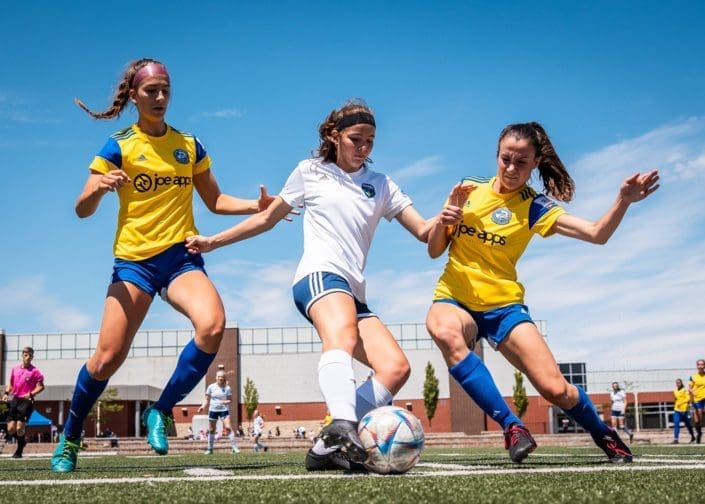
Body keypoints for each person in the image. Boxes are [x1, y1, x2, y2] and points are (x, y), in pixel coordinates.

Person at [185, 99, 463, 471]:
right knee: (342, 338)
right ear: (335, 136)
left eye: (370, 141)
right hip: (318, 276)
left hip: (353, 291)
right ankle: (344, 426)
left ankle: (323, 447)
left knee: (395, 367)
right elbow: (268, 219)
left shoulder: (381, 185)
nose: (363, 148)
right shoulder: (310, 171)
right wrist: (213, 241)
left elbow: (425, 234)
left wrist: (445, 217)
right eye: (355, 139)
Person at [50, 58, 283, 473]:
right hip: (134, 263)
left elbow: (214, 200)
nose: (160, 98)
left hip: (181, 257)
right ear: (134, 96)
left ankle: (160, 411)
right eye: (151, 91)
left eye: (166, 90)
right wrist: (100, 188)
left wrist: (256, 205)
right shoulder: (118, 145)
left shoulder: (189, 145)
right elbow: (81, 208)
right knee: (107, 357)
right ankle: (70, 437)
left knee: (212, 326)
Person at [425, 121, 659, 464]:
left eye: (521, 162)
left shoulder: (535, 206)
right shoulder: (467, 189)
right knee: (443, 330)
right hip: (455, 297)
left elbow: (597, 233)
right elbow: (434, 250)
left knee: (555, 389)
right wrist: (444, 221)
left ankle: (603, 433)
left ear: (535, 163)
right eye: (506, 159)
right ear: (496, 154)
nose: (511, 168)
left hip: (504, 307)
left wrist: (622, 201)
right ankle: (512, 426)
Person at [2, 347, 45, 458]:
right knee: (11, 429)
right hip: (15, 399)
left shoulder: (35, 371)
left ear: (32, 357)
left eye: (30, 355)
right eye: (26, 355)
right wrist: (6, 394)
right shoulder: (15, 369)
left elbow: (41, 387)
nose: (28, 357)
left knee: (19, 428)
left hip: (27, 401)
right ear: (22, 355)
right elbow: (10, 384)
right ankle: (22, 441)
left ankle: (19, 451)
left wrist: (31, 394)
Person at [197, 369, 240, 454]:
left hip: (224, 410)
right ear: (216, 377)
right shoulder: (211, 387)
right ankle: (210, 449)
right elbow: (206, 399)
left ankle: (234, 447)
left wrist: (225, 402)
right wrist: (202, 406)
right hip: (213, 410)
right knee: (212, 429)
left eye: (222, 377)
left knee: (228, 428)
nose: (220, 378)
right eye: (219, 377)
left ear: (224, 378)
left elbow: (230, 400)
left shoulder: (227, 388)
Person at [672, 378, 696, 444]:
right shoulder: (675, 391)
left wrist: (681, 403)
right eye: (676, 382)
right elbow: (675, 399)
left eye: (679, 382)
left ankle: (693, 437)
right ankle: (676, 439)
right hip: (676, 410)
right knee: (676, 423)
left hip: (684, 410)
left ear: (681, 383)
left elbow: (687, 399)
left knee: (688, 425)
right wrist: (676, 404)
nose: (678, 383)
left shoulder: (685, 390)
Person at [688, 358, 705, 444]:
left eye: (702, 364)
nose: (700, 366)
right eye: (699, 364)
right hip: (696, 399)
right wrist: (692, 391)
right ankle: (699, 433)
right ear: (697, 366)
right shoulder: (693, 377)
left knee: (701, 411)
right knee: (697, 421)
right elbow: (689, 388)